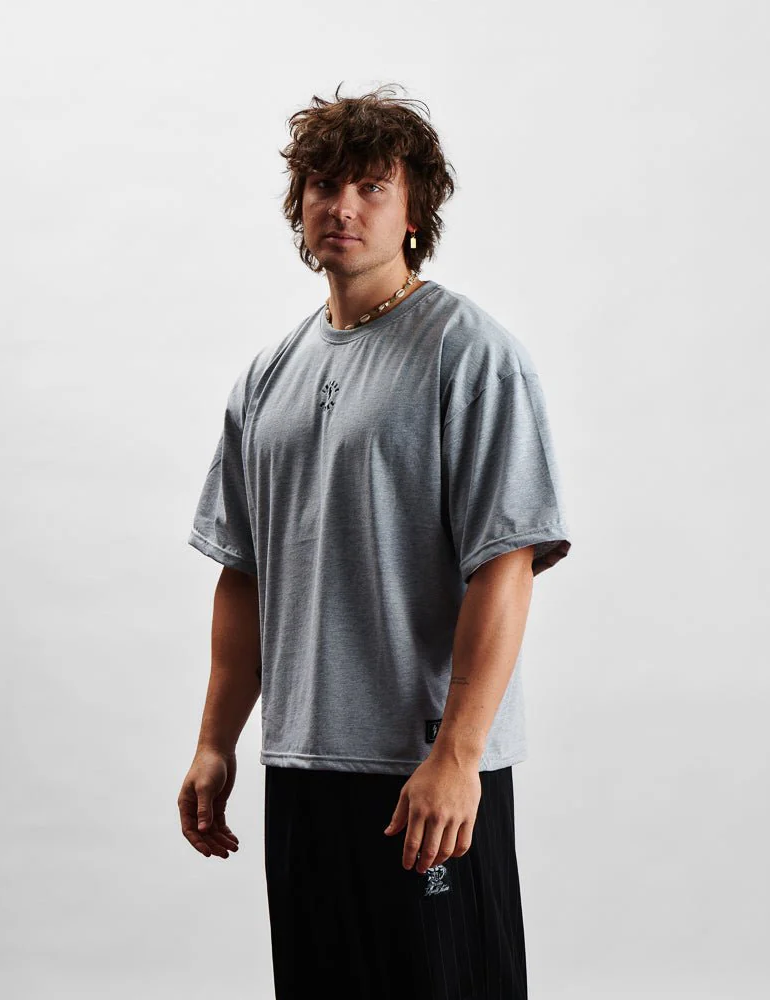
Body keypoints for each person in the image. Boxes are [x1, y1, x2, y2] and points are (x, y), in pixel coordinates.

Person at [178, 82, 573, 999]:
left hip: (423, 771)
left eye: (370, 186)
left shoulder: (470, 354)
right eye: (323, 184)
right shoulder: (268, 376)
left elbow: (506, 564)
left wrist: (459, 757)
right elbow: (243, 574)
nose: (342, 206)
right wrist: (216, 741)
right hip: (303, 763)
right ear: (299, 204)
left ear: (413, 212)